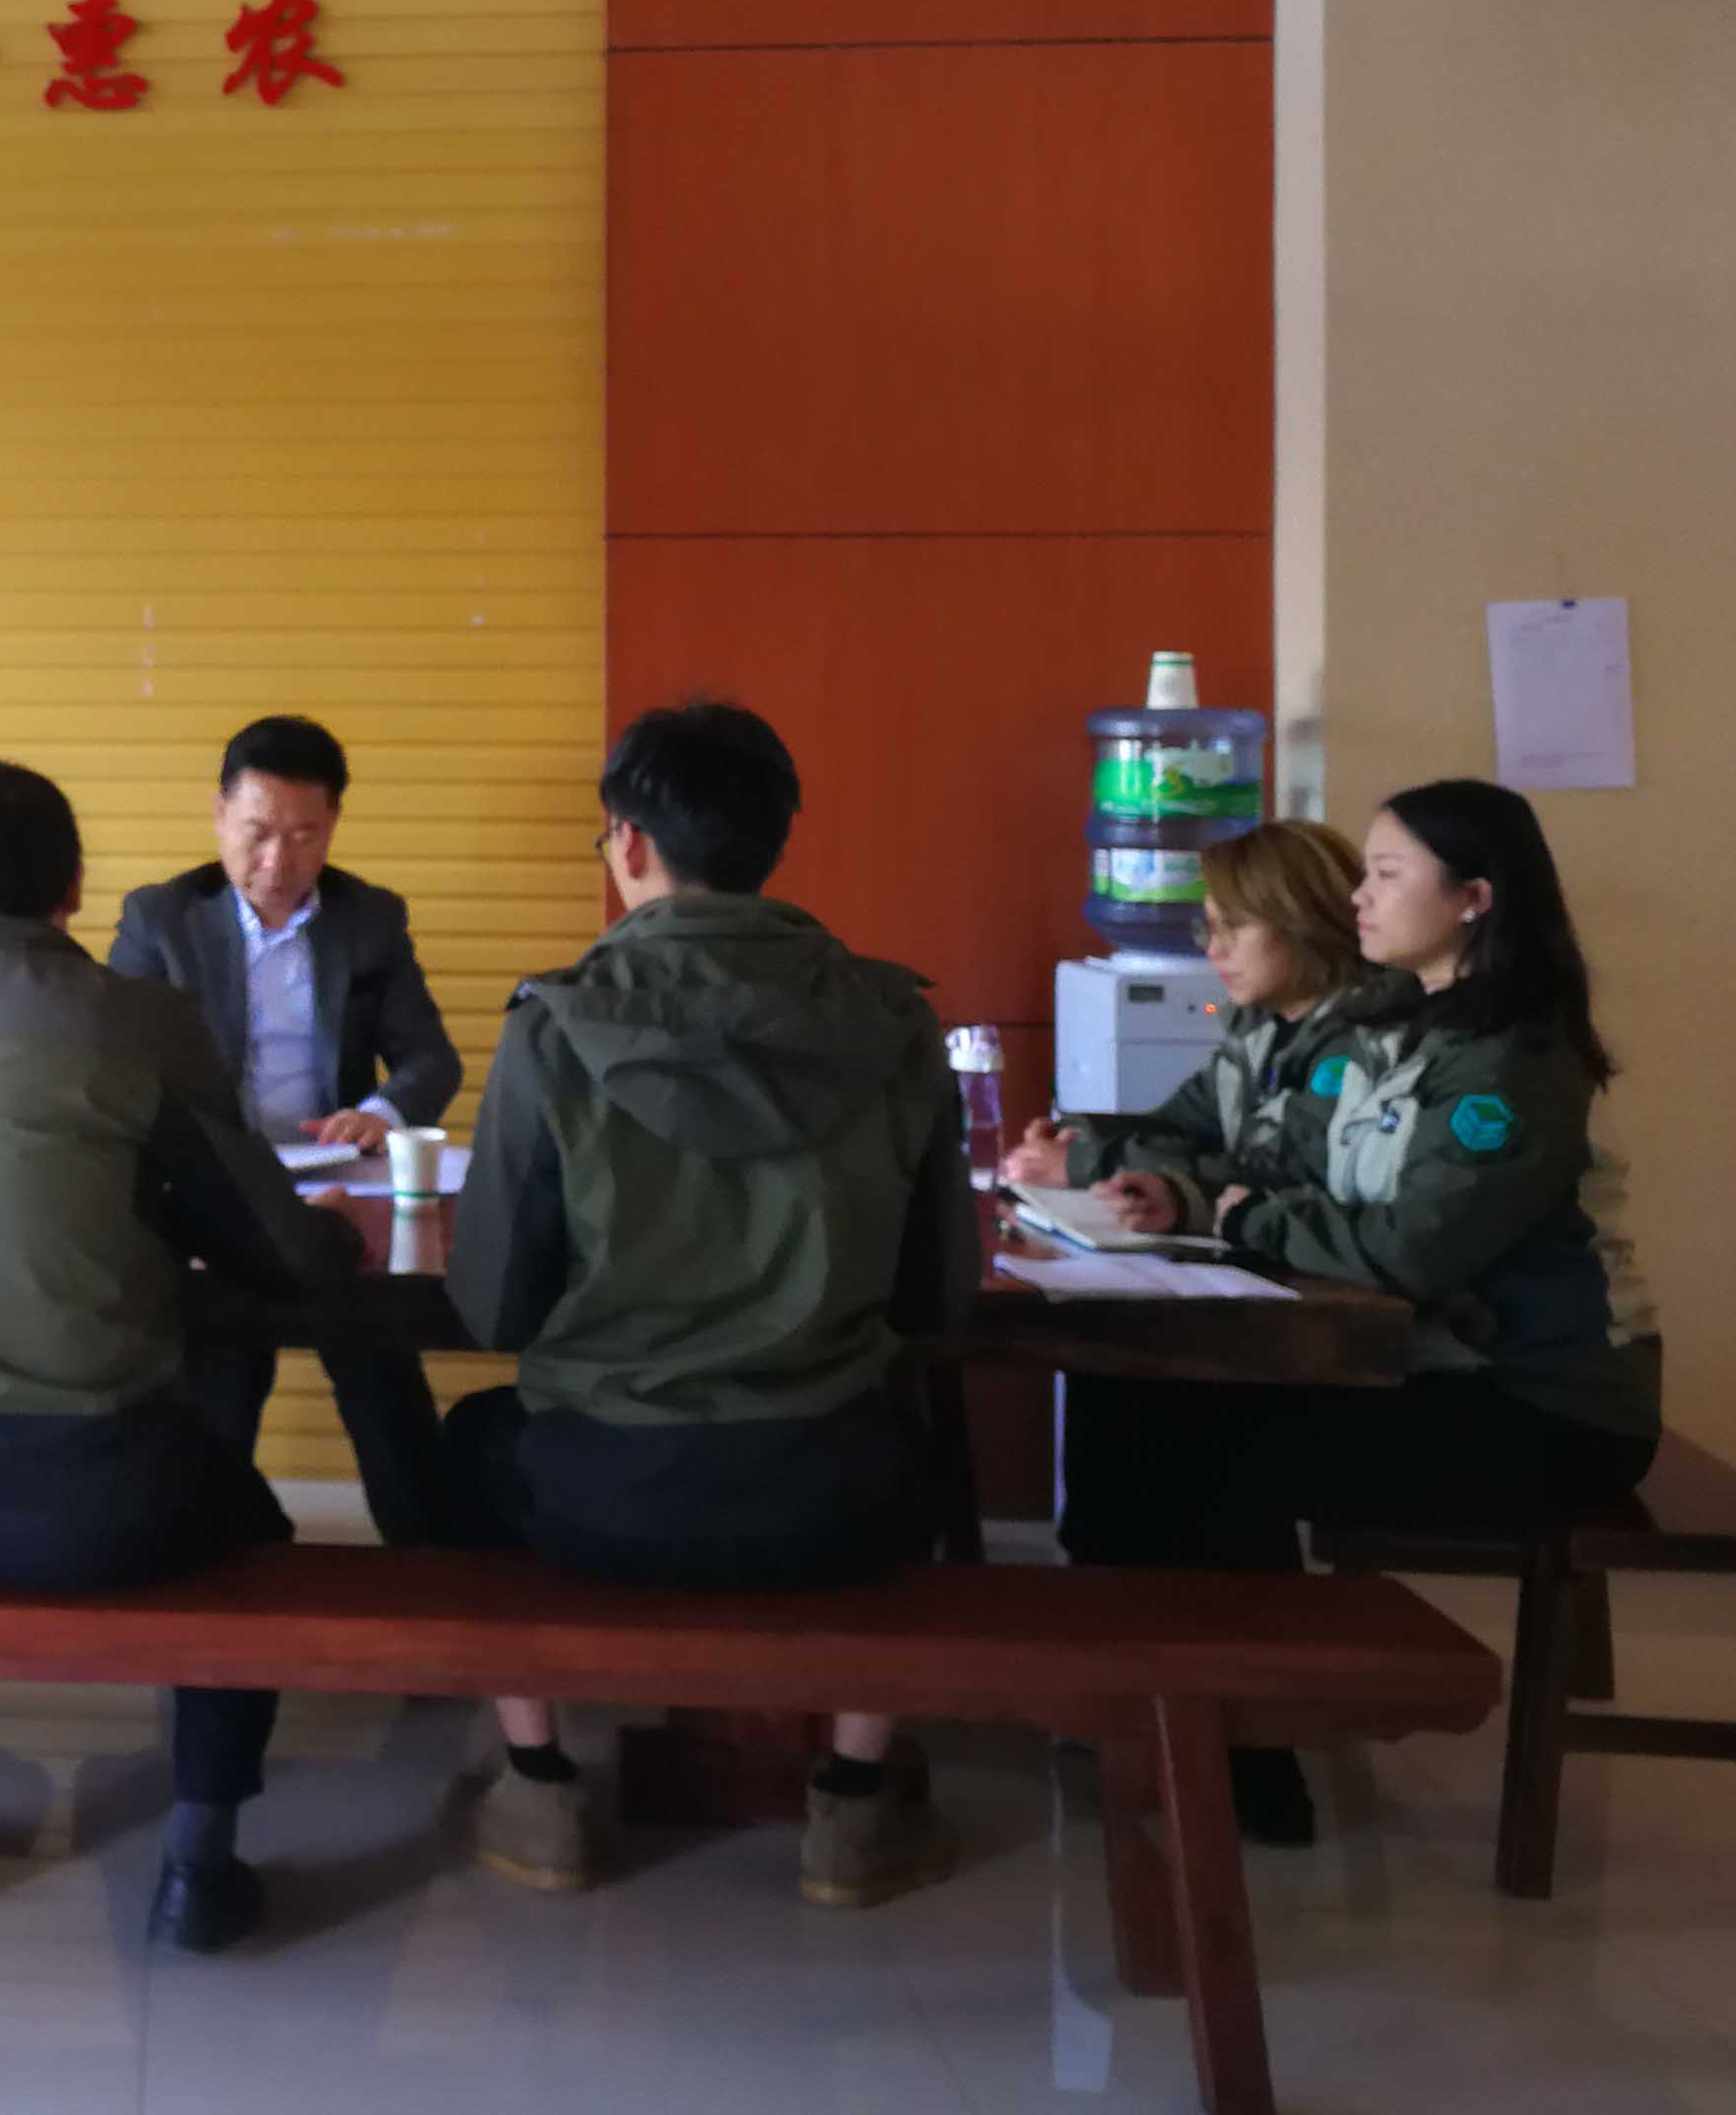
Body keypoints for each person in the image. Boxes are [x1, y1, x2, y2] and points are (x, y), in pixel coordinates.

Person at [0, 756, 360, 1953]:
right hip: (95, 1490)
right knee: (253, 1532)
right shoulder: (139, 1022)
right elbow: (270, 1249)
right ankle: (197, 1867)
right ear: (72, 888)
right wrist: (330, 1235)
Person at [1056, 779, 1661, 1845]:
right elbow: (1304, 1181)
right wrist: (1204, 1199)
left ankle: (1248, 1760)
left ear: (1473, 898)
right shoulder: (1404, 1030)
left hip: (1539, 1406)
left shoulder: (1509, 1060)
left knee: (1205, 1455)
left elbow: (1406, 1251)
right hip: (1429, 1362)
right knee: (1125, 1400)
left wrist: (1241, 1216)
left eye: (1384, 874)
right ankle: (1146, 1701)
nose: (1357, 899)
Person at [443, 701, 972, 1909]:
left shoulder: (555, 1024)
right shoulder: (890, 1019)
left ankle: (537, 1786)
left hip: (601, 1492)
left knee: (466, 1450)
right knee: (915, 1433)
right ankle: (851, 1807)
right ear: (774, 837)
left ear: (627, 842)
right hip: (828, 1492)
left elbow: (493, 1308)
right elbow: (937, 1299)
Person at [107, 713, 461, 1542]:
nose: (277, 861)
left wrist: (378, 1115)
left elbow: (430, 1059)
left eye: (304, 836)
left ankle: (431, 1566)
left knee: (384, 1380)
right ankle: (213, 1557)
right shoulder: (161, 919)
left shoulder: (368, 918)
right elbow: (120, 1065)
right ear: (218, 813)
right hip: (215, 1193)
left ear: (333, 824)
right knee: (220, 1387)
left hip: (338, 1183)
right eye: (258, 831)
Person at [1002, 818, 1369, 1233]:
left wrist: (1085, 1163)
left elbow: (1276, 1172)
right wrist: (1080, 1133)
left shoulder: (1361, 1039)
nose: (1214, 950)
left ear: (1304, 920)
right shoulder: (1258, 1029)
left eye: (1233, 926)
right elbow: (1180, 1124)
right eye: (1208, 929)